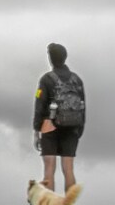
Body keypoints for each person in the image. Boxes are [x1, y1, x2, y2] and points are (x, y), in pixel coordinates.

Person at [34, 43, 85, 192]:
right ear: (65, 57)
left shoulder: (46, 79)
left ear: (50, 59)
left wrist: (37, 129)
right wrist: (79, 129)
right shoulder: (77, 80)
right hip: (72, 126)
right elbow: (82, 106)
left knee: (49, 169)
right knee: (68, 169)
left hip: (49, 125)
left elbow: (39, 104)